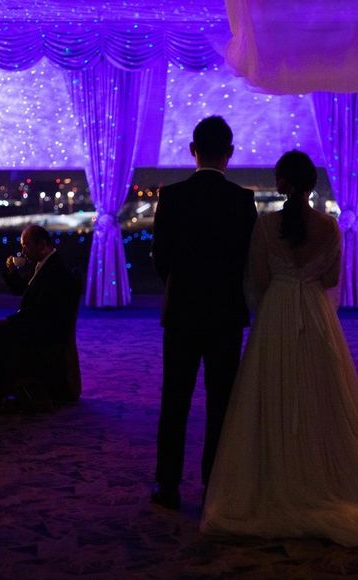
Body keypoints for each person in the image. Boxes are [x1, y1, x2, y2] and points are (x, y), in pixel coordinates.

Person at [201, 151, 358, 547]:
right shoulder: (330, 227)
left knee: (275, 391)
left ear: (281, 182)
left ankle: (280, 474)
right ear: (312, 184)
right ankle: (327, 474)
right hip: (316, 314)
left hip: (278, 311)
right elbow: (331, 278)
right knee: (323, 393)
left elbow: (259, 279)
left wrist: (280, 291)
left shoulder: (266, 225)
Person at [150, 116, 257, 510]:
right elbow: (249, 260)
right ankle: (215, 483)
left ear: (192, 150)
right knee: (221, 403)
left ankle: (167, 485)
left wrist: (179, 285)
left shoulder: (171, 196)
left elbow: (161, 258)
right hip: (226, 314)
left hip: (181, 312)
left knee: (174, 400)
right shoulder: (242, 200)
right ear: (229, 153)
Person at [0, 224, 81, 410]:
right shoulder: (42, 263)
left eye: (26, 246)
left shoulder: (55, 272)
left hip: (45, 333)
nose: (23, 251)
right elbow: (22, 290)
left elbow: (39, 313)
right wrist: (11, 271)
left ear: (42, 245)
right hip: (38, 324)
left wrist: (9, 322)